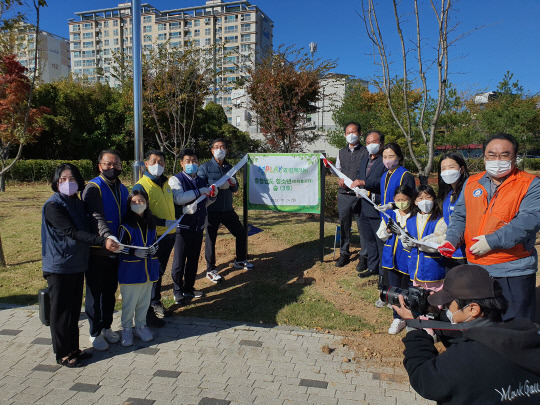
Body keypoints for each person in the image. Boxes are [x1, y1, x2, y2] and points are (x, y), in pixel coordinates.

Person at [395, 264, 540, 405]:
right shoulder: (527, 337)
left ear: (473, 309)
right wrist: (438, 317)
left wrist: (414, 330)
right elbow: (475, 331)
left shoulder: (463, 360)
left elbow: (424, 379)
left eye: (447, 305)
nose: (445, 309)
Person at [440, 133, 540, 321]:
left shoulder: (531, 184)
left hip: (513, 268)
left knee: (515, 326)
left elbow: (528, 222)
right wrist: (451, 240)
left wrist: (492, 241)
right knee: (483, 323)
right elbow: (461, 215)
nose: (497, 160)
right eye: (492, 155)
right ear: (484, 157)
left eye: (504, 155)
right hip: (478, 268)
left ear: (515, 156)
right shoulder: (471, 182)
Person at [42, 163, 119, 367]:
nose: (68, 183)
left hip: (77, 264)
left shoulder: (77, 202)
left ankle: (74, 348)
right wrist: (103, 242)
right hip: (59, 265)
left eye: (72, 179)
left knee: (74, 310)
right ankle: (63, 354)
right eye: (63, 180)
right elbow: (72, 233)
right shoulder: (53, 205)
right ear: (56, 183)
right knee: (60, 312)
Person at [82, 149, 128, 351]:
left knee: (110, 290)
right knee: (95, 292)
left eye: (116, 164)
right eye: (108, 164)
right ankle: (94, 331)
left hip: (117, 249)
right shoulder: (93, 188)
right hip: (97, 249)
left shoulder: (123, 188)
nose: (112, 167)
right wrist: (107, 237)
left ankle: (107, 326)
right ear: (100, 165)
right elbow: (95, 217)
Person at [198, 138, 252, 282]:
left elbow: (235, 188)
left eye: (222, 147)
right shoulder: (205, 168)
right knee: (210, 239)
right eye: (216, 147)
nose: (219, 150)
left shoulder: (230, 168)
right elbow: (201, 187)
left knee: (240, 232)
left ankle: (240, 260)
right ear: (211, 150)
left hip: (227, 209)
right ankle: (211, 270)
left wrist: (233, 184)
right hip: (211, 210)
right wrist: (214, 188)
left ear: (226, 150)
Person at [132, 150, 176, 326]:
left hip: (169, 235)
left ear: (165, 164)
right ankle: (147, 307)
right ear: (146, 163)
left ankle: (155, 301)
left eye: (161, 161)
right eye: (153, 161)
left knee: (159, 271)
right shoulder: (141, 186)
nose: (157, 164)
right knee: (152, 271)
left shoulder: (166, 183)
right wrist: (163, 221)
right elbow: (140, 213)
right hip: (154, 236)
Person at [169, 148, 216, 304]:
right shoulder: (176, 180)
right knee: (179, 262)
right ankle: (177, 291)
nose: (191, 164)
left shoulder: (201, 181)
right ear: (182, 163)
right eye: (188, 161)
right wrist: (199, 192)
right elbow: (178, 198)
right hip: (182, 228)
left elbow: (205, 202)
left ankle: (188, 288)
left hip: (198, 227)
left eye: (194, 161)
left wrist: (212, 196)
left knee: (193, 260)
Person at [117, 190, 159, 346]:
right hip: (131, 272)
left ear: (147, 203)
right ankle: (126, 328)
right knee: (129, 303)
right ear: (129, 205)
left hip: (148, 270)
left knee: (144, 302)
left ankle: (141, 325)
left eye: (141, 201)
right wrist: (135, 251)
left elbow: (155, 241)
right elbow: (119, 247)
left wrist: (155, 249)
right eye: (134, 202)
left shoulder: (151, 224)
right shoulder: (125, 226)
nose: (138, 204)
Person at [376, 185, 414, 333]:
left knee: (409, 290)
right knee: (394, 290)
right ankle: (397, 318)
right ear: (394, 200)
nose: (401, 202)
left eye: (404, 199)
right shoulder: (390, 214)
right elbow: (380, 235)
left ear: (411, 200)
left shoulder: (415, 216)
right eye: (398, 200)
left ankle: (411, 319)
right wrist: (387, 231)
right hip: (391, 260)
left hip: (408, 260)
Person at [350, 130, 386, 279]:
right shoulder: (365, 159)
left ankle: (384, 272)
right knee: (369, 240)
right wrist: (358, 186)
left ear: (381, 144)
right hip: (363, 205)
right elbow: (360, 176)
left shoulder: (385, 160)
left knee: (380, 242)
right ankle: (372, 267)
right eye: (368, 143)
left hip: (377, 207)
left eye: (374, 142)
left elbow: (384, 182)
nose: (371, 145)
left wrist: (365, 183)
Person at [334, 121, 368, 269]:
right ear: (345, 135)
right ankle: (344, 253)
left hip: (360, 195)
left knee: (362, 227)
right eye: (348, 133)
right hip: (344, 195)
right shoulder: (341, 152)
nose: (351, 135)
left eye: (354, 132)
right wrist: (339, 179)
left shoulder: (366, 152)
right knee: (344, 225)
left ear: (360, 134)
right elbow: (337, 170)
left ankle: (364, 256)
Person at [402, 185, 447, 294]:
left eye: (428, 197)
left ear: (434, 200)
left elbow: (439, 242)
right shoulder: (410, 221)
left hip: (433, 268)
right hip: (415, 267)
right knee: (418, 298)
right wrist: (405, 240)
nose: (425, 201)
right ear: (415, 202)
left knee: (435, 299)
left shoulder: (441, 220)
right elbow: (406, 243)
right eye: (421, 198)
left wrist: (419, 244)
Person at [437, 152, 469, 267]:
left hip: (466, 252)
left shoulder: (468, 191)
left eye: (451, 167)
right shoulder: (448, 194)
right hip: (450, 250)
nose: (447, 171)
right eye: (443, 169)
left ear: (461, 169)